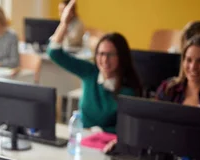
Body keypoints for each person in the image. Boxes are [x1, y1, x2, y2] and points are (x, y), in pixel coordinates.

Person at [48, 0, 141, 133]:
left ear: (121, 57)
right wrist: (64, 22)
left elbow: (129, 130)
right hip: (83, 140)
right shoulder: (90, 72)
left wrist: (101, 131)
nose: (104, 60)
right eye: (100, 54)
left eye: (111, 54)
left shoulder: (128, 90)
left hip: (108, 146)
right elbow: (54, 53)